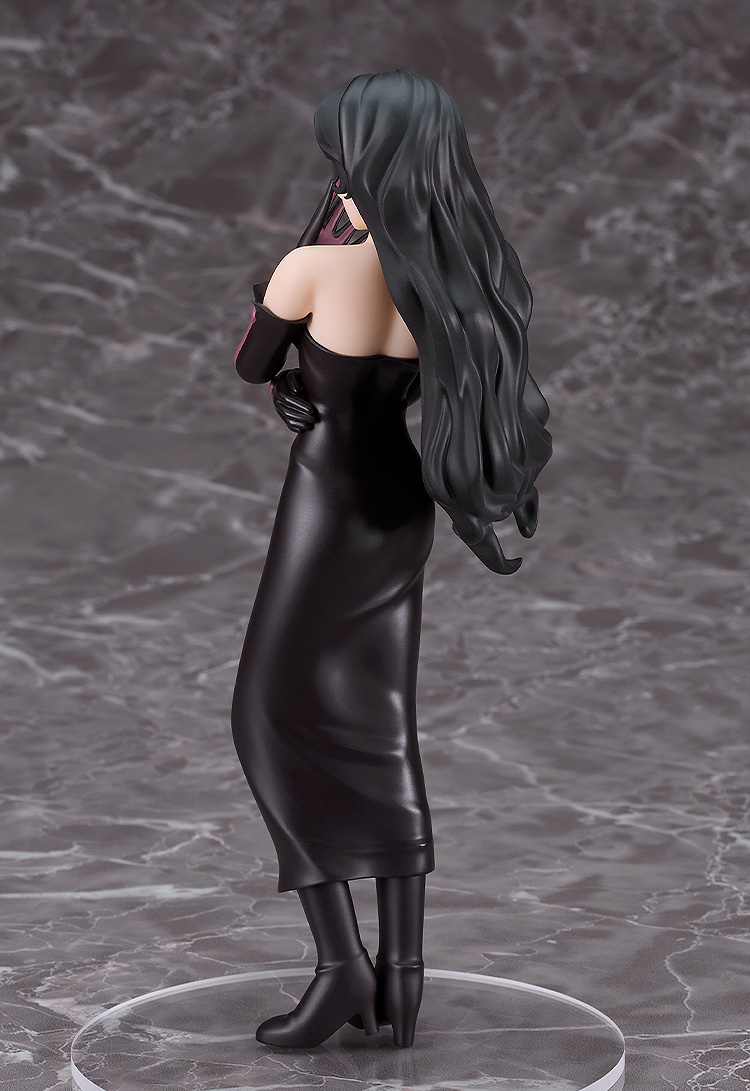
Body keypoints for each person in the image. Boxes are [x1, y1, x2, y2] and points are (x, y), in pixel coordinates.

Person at [230, 70, 552, 1051]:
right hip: (400, 502)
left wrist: (294, 370)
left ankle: (342, 966)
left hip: (328, 496)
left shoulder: (314, 268)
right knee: (383, 723)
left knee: (267, 713)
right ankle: (399, 980)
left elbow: (252, 359)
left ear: (357, 160)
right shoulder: (456, 276)